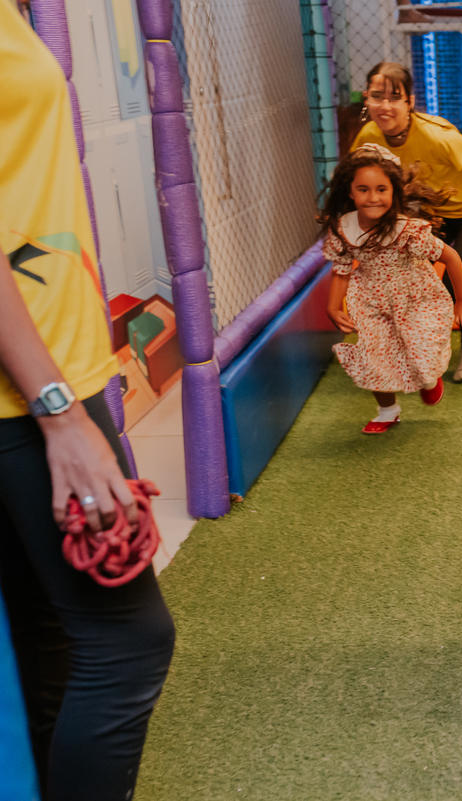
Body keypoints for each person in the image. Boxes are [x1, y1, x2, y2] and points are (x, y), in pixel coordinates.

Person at [0, 5, 175, 799]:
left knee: (57, 639)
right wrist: (61, 413)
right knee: (128, 641)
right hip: (27, 392)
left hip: (43, 377)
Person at [352, 62, 462, 384]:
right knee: (410, 280)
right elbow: (357, 180)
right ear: (366, 98)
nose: (385, 106)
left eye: (394, 98)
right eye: (377, 96)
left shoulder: (435, 134)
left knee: (455, 281)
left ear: (409, 102)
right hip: (430, 214)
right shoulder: (369, 135)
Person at [320, 146, 462, 434]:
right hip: (371, 300)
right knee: (374, 358)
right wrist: (333, 307)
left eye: (382, 189)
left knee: (421, 350)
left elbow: (451, 257)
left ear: (394, 192)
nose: (373, 197)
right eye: (363, 189)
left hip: (415, 296)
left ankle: (430, 378)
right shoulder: (344, 228)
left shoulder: (407, 230)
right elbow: (341, 268)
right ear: (351, 192)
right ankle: (387, 411)